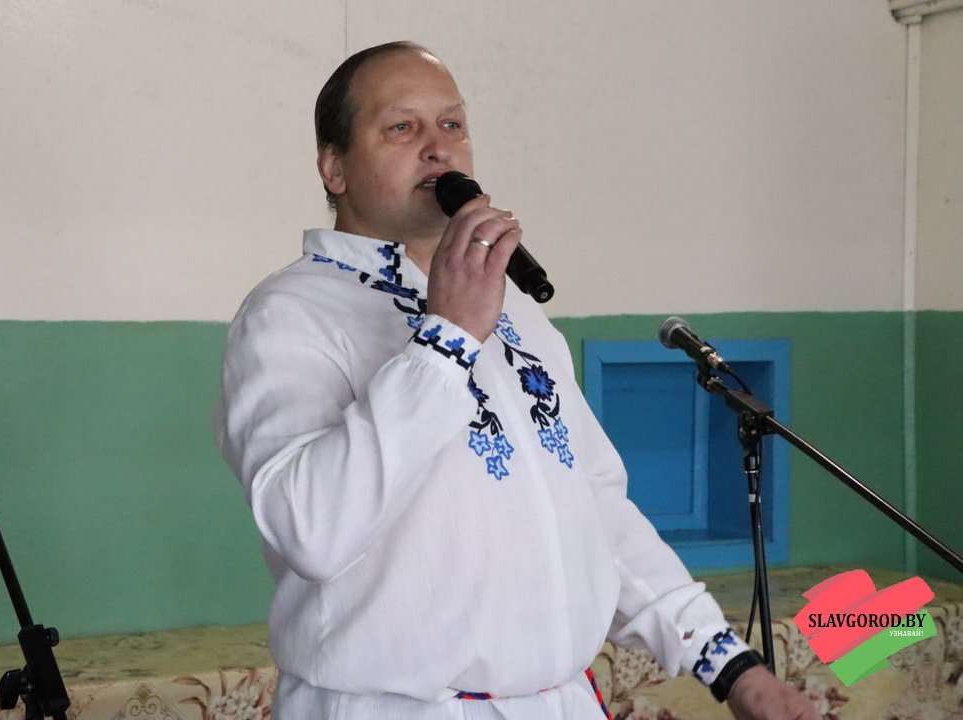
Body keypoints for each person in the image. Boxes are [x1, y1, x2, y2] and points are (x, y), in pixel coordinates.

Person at [215, 40, 818, 720]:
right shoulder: (289, 314)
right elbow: (311, 528)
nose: (438, 148)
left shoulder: (514, 310)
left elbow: (595, 508)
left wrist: (728, 664)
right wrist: (445, 340)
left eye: (452, 124)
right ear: (335, 168)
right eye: (402, 127)